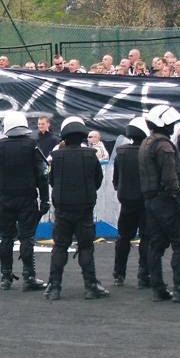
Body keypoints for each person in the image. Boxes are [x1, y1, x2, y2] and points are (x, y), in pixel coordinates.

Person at [45, 117, 110, 301]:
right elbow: (98, 180)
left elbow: (52, 181)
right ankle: (90, 287)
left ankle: (54, 287)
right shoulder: (91, 155)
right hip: (84, 209)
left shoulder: (56, 157)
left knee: (59, 247)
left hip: (63, 210)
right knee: (86, 247)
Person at [139, 104, 180, 303]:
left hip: (151, 201)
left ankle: (158, 288)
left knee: (155, 245)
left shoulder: (147, 143)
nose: (173, 127)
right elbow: (170, 178)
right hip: (166, 201)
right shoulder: (164, 146)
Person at [0, 111, 49, 291]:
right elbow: (42, 175)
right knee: (27, 238)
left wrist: (1, 178)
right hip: (28, 199)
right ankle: (29, 277)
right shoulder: (32, 144)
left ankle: (6, 277)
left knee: (6, 238)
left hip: (5, 199)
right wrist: (45, 200)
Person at [112, 117, 150, 288]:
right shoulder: (149, 151)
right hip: (145, 201)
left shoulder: (121, 151)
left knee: (123, 238)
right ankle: (144, 275)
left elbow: (115, 179)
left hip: (126, 201)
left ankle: (119, 274)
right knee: (146, 239)